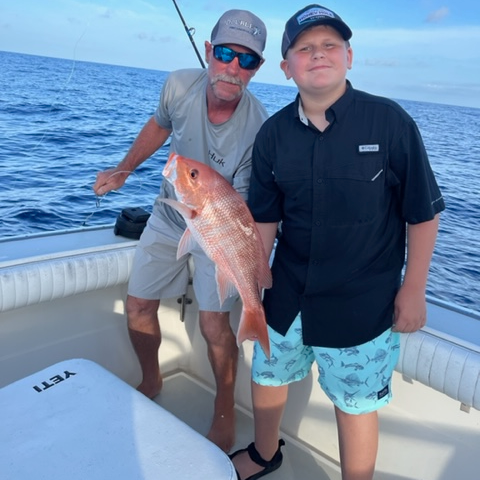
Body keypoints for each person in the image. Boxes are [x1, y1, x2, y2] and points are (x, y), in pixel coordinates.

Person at [230, 4, 445, 480]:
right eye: (304, 48)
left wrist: (414, 289)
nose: (318, 54)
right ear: (287, 69)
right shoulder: (273, 135)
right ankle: (266, 454)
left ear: (349, 56)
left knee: (355, 402)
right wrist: (250, 283)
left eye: (330, 45)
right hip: (285, 291)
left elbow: (422, 215)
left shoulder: (390, 123)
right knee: (267, 375)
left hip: (361, 300)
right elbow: (264, 219)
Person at [92, 9, 268, 453]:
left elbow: (241, 211)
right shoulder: (178, 85)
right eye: (226, 53)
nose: (233, 68)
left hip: (218, 227)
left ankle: (224, 410)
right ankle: (151, 379)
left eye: (246, 60)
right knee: (136, 306)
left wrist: (232, 253)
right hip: (173, 214)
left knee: (213, 325)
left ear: (258, 69)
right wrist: (125, 169)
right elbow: (160, 124)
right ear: (209, 51)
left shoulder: (260, 127)